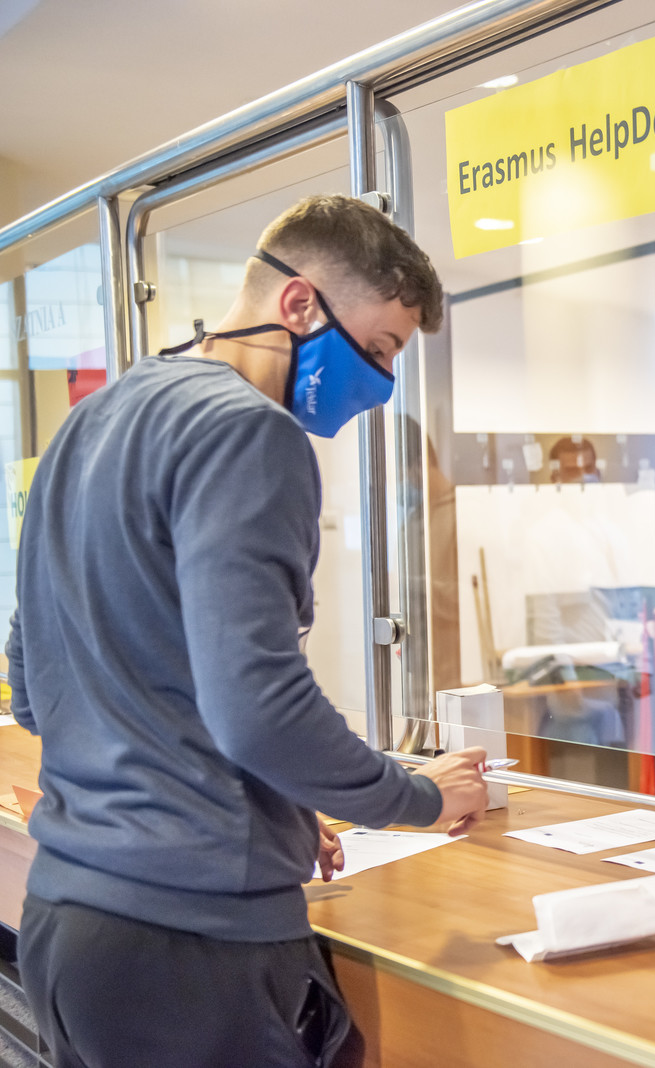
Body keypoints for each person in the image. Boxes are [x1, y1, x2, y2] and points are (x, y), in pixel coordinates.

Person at [5, 194, 489, 1068]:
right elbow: (259, 707)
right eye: (379, 349)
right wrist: (419, 797)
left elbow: (35, 686)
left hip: (69, 926)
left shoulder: (91, 423)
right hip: (190, 950)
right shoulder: (249, 433)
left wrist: (268, 808)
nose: (380, 384)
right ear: (299, 303)